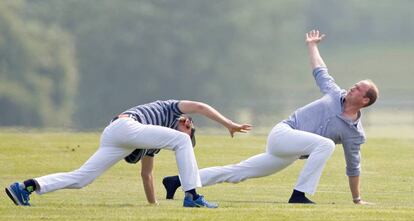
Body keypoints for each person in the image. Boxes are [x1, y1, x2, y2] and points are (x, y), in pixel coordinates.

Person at [162, 30, 379, 204]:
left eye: (358, 88)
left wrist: (356, 199)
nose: (353, 87)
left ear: (365, 100)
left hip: (291, 152)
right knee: (326, 145)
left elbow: (353, 166)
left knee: (238, 172)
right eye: (355, 84)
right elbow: (320, 70)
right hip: (283, 133)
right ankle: (299, 195)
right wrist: (312, 45)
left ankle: (176, 182)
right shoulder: (334, 93)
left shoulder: (354, 133)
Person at [5, 100, 252, 208]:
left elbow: (147, 175)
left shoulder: (155, 139)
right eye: (189, 126)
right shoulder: (171, 109)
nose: (188, 125)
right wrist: (228, 124)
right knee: (179, 141)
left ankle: (26, 187)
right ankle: (193, 196)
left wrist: (153, 205)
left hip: (115, 132)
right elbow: (199, 107)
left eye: (190, 128)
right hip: (125, 126)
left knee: (82, 178)